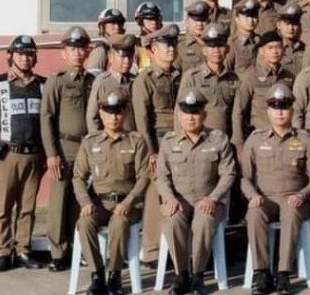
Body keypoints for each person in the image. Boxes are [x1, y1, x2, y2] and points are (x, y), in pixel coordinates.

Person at [241, 84, 310, 295]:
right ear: (268, 110)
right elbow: (245, 178)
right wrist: (252, 195)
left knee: (291, 210)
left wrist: (303, 194)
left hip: (295, 198)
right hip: (265, 199)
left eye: (285, 107)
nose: (280, 112)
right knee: (254, 213)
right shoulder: (255, 139)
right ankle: (262, 273)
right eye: (275, 107)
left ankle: (284, 273)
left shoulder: (304, 139)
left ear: (292, 110)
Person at [157, 89, 238, 295]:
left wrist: (213, 198)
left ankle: (198, 275)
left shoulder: (218, 139)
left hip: (209, 200)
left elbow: (228, 173)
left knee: (204, 220)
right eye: (186, 112)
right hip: (179, 201)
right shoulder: (169, 141)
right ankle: (181, 274)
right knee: (172, 220)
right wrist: (169, 199)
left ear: (204, 114)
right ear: (179, 115)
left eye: (195, 112)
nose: (190, 117)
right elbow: (162, 176)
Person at [0, 35, 47, 272]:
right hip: (7, 155)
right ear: (11, 56)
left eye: (29, 54)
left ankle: (23, 250)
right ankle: (3, 252)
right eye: (20, 54)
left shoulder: (43, 84)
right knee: (3, 206)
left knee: (27, 207)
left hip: (34, 155)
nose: (25, 58)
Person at [73, 90, 150, 295]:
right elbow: (78, 177)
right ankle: (97, 274)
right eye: (109, 111)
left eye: (118, 111)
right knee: (84, 223)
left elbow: (144, 177)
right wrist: (85, 202)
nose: (113, 116)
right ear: (101, 113)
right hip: (99, 203)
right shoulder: (90, 142)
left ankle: (115, 274)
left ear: (125, 113)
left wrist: (129, 202)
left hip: (127, 204)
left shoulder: (136, 141)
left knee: (119, 222)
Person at [42, 26, 95, 272]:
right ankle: (58, 252)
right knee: (59, 201)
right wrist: (52, 153)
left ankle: (78, 249)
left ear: (87, 51)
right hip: (64, 148)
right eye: (72, 48)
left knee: (81, 200)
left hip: (87, 148)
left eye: (81, 48)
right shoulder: (57, 80)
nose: (77, 53)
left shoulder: (92, 81)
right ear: (64, 52)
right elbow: (46, 118)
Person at [132, 23, 182, 266]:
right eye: (165, 45)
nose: (170, 49)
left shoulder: (180, 76)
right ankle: (151, 250)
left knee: (177, 191)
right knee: (155, 195)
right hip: (157, 140)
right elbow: (141, 119)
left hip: (178, 140)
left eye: (172, 44)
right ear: (152, 50)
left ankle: (174, 249)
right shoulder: (145, 79)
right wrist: (150, 151)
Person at [232, 31, 296, 149]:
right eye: (270, 48)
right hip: (259, 139)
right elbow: (239, 112)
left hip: (284, 139)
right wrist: (239, 144)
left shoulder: (289, 77)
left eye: (278, 47)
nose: (275, 51)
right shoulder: (251, 76)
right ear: (261, 51)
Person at [177, 23, 239, 138]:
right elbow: (180, 113)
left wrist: (237, 142)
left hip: (225, 139)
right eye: (212, 46)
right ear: (204, 50)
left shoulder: (233, 79)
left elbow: (237, 114)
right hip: (200, 140)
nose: (216, 50)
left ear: (227, 49)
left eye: (220, 45)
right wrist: (181, 142)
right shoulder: (192, 77)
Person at [85, 34, 138, 133]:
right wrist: (97, 140)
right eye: (122, 56)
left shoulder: (136, 81)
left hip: (133, 139)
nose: (127, 61)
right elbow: (92, 117)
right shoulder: (102, 82)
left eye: (130, 56)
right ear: (110, 57)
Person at [87, 8, 127, 74]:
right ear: (102, 27)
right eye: (113, 23)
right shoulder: (100, 50)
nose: (117, 27)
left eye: (119, 23)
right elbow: (93, 77)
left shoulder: (122, 47)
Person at [228, 0, 261, 72]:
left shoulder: (261, 41)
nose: (250, 20)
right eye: (246, 16)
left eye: (254, 16)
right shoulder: (232, 44)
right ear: (237, 19)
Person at [177, 1, 210, 73]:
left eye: (203, 20)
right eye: (196, 20)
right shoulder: (179, 46)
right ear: (187, 22)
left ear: (209, 22)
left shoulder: (217, 43)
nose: (199, 24)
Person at [275, 4, 307, 76]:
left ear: (300, 26)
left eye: (294, 24)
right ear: (278, 25)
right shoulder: (272, 49)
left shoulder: (305, 49)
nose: (291, 28)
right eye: (287, 24)